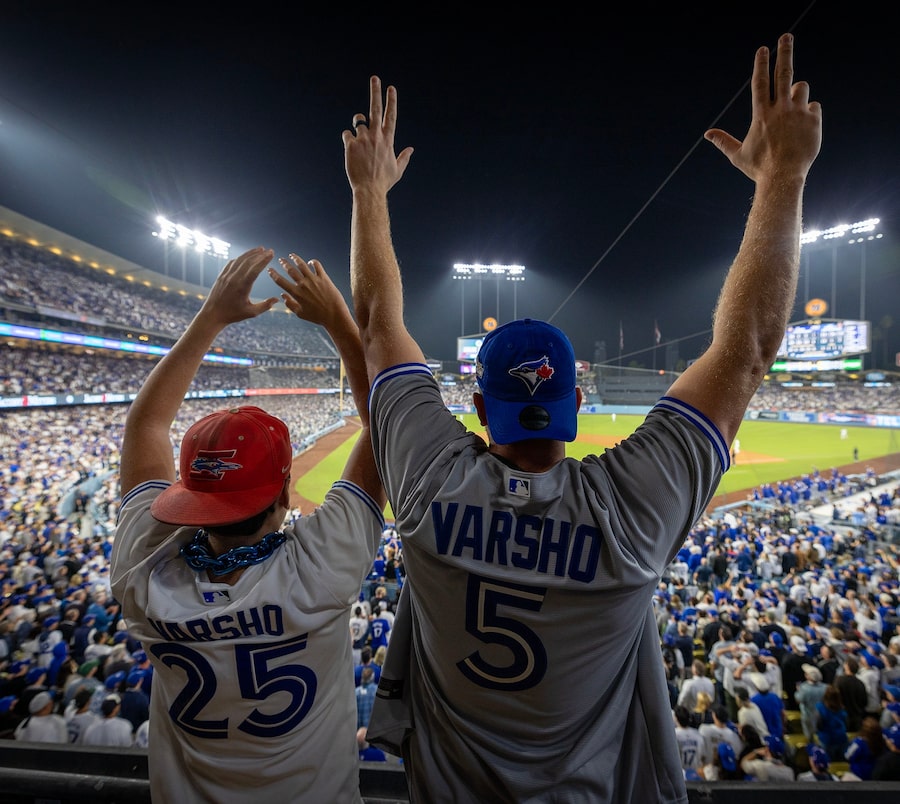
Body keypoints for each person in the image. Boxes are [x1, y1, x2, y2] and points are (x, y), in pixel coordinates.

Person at [345, 32, 821, 802]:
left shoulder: (430, 479)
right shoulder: (631, 510)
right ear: (576, 405)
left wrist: (370, 193)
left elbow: (375, 323)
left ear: (477, 408)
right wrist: (785, 177)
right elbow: (748, 352)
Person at [110, 248, 386, 803]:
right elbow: (385, 417)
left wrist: (211, 317)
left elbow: (147, 422)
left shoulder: (143, 568)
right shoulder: (321, 567)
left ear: (188, 493)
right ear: (284, 492)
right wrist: (337, 319)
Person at [816, 683, 849, 761]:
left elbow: (819, 725)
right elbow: (846, 723)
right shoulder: (842, 709)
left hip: (827, 740)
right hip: (841, 738)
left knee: (828, 762)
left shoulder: (820, 708)